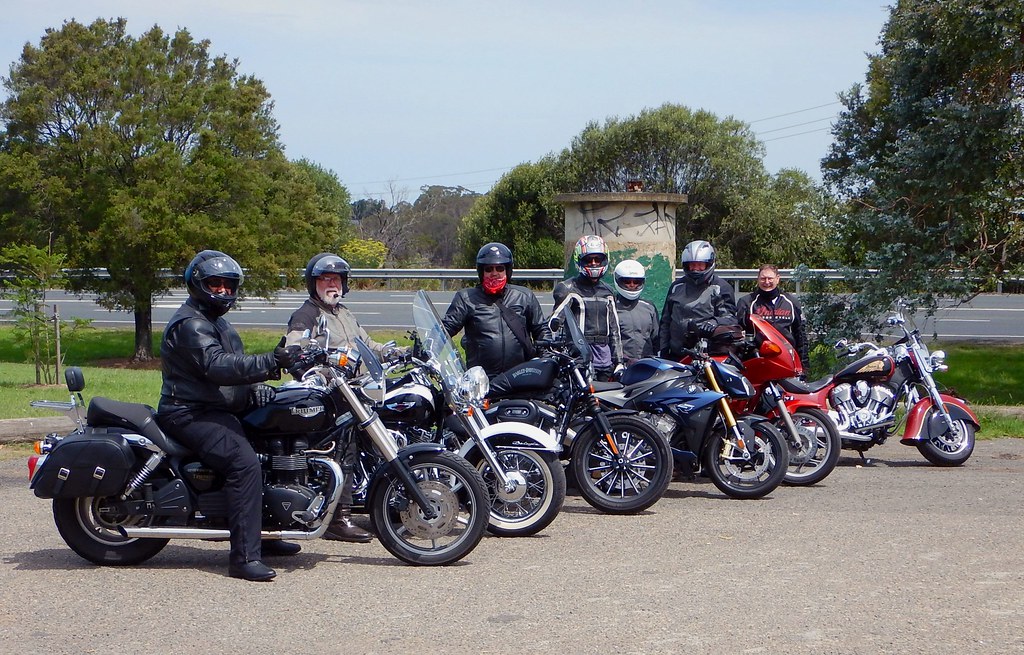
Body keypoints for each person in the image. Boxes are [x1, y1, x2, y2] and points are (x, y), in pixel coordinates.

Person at [157, 250, 302, 582]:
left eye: (228, 285)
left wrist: (255, 389)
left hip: (214, 406)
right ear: (198, 284)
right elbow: (217, 366)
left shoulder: (214, 320)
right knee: (244, 463)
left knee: (270, 446)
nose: (223, 291)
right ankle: (244, 557)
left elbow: (227, 372)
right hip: (189, 413)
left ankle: (265, 533)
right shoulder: (191, 324)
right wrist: (270, 363)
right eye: (215, 284)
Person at [283, 252, 388, 544]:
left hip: (354, 391)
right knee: (345, 451)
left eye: (337, 278)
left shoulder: (343, 313)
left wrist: (394, 351)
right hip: (328, 397)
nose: (332, 284)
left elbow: (366, 344)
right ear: (313, 283)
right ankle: (338, 518)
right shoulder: (307, 314)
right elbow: (294, 350)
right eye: (325, 278)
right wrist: (319, 366)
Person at [442, 242, 550, 377]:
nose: (494, 273)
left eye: (499, 268)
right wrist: (424, 349)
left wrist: (546, 358)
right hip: (482, 380)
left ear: (508, 270)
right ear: (481, 272)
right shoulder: (466, 298)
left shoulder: (524, 296)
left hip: (520, 377)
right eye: (489, 269)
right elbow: (445, 330)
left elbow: (541, 329)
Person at [552, 235, 623, 381]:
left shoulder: (608, 292)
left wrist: (619, 361)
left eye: (598, 259)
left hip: (605, 357)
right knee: (583, 401)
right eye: (589, 259)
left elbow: (614, 329)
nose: (594, 263)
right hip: (580, 355)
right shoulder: (567, 289)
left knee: (606, 400)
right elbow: (554, 323)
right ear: (580, 260)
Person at [658, 239, 739, 359]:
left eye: (700, 265)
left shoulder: (721, 287)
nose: (696, 269)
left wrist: (715, 322)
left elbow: (731, 318)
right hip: (676, 354)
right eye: (692, 265)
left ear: (709, 264)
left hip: (707, 356)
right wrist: (663, 349)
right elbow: (666, 321)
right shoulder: (676, 287)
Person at [737, 263, 810, 368]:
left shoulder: (791, 302)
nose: (766, 282)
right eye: (763, 278)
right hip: (758, 360)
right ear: (758, 279)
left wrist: (804, 367)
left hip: (787, 361)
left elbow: (801, 336)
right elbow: (737, 333)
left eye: (770, 278)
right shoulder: (746, 302)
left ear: (777, 279)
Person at [612, 259, 659, 365]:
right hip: (619, 365)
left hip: (647, 364)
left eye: (636, 281)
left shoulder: (649, 307)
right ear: (618, 281)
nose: (632, 285)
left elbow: (657, 339)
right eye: (627, 281)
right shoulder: (611, 306)